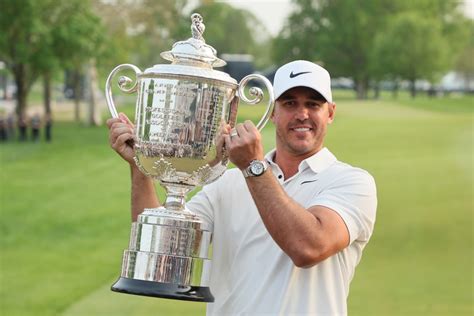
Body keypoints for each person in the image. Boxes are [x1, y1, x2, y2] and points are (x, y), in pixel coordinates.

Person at [107, 60, 377, 315]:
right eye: (290, 103)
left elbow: (308, 248)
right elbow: (163, 251)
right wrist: (140, 167)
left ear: (330, 112)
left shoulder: (352, 182)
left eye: (313, 104)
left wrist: (252, 166)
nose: (302, 114)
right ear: (273, 112)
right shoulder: (227, 183)